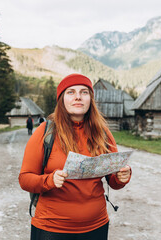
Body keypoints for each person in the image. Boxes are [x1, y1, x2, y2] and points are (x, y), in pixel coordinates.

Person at [19, 73, 131, 240]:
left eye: (84, 92)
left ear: (90, 99)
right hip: (52, 228)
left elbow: (113, 181)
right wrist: (49, 180)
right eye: (70, 92)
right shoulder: (45, 132)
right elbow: (25, 179)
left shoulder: (103, 133)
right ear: (62, 99)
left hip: (96, 226)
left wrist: (122, 177)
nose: (78, 97)